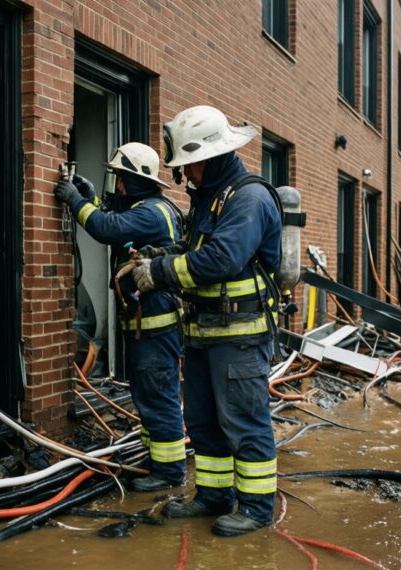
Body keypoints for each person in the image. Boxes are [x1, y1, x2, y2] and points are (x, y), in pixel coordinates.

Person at [131, 105, 282, 536]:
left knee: (244, 422)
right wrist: (158, 257)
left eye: (191, 166)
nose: (187, 176)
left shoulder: (248, 198)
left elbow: (220, 259)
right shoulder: (211, 200)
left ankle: (255, 508)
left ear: (211, 158)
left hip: (238, 337)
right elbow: (191, 252)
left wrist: (158, 273)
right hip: (201, 335)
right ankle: (213, 495)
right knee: (203, 422)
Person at [54, 142, 186, 492]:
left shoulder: (151, 211)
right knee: (150, 394)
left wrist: (75, 200)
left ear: (136, 180)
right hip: (150, 326)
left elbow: (107, 229)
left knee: (158, 395)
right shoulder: (155, 208)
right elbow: (115, 221)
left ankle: (169, 472)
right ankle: (156, 458)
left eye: (121, 179)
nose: (119, 186)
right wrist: (93, 199)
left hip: (155, 326)